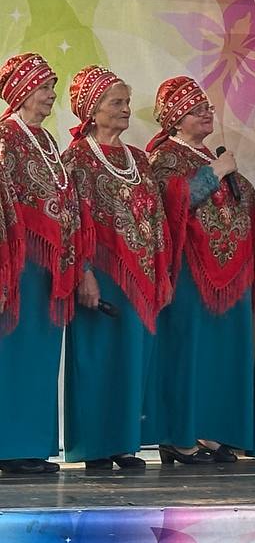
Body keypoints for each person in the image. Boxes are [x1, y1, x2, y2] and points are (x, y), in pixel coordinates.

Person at [62, 65, 170, 470]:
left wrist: (160, 270)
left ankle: (125, 444)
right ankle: (95, 446)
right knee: (97, 358)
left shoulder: (138, 159)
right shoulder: (76, 159)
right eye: (116, 102)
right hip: (101, 274)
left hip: (139, 275)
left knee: (132, 357)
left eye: (127, 102)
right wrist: (84, 272)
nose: (126, 109)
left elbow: (156, 217)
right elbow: (72, 221)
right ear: (92, 110)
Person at [145, 76, 255, 465]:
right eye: (196, 109)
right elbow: (170, 202)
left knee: (218, 354)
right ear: (176, 118)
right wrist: (214, 174)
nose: (207, 113)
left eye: (207, 107)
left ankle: (209, 430)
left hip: (228, 272)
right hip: (190, 271)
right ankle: (178, 435)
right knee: (186, 352)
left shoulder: (211, 155)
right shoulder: (163, 156)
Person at [0, 53, 79, 475]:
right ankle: (9, 447)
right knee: (15, 352)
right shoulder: (5, 138)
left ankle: (32, 446)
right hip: (19, 263)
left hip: (49, 265)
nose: (51, 95)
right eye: (45, 87)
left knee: (41, 355)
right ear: (23, 90)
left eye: (52, 87)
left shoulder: (46, 140)